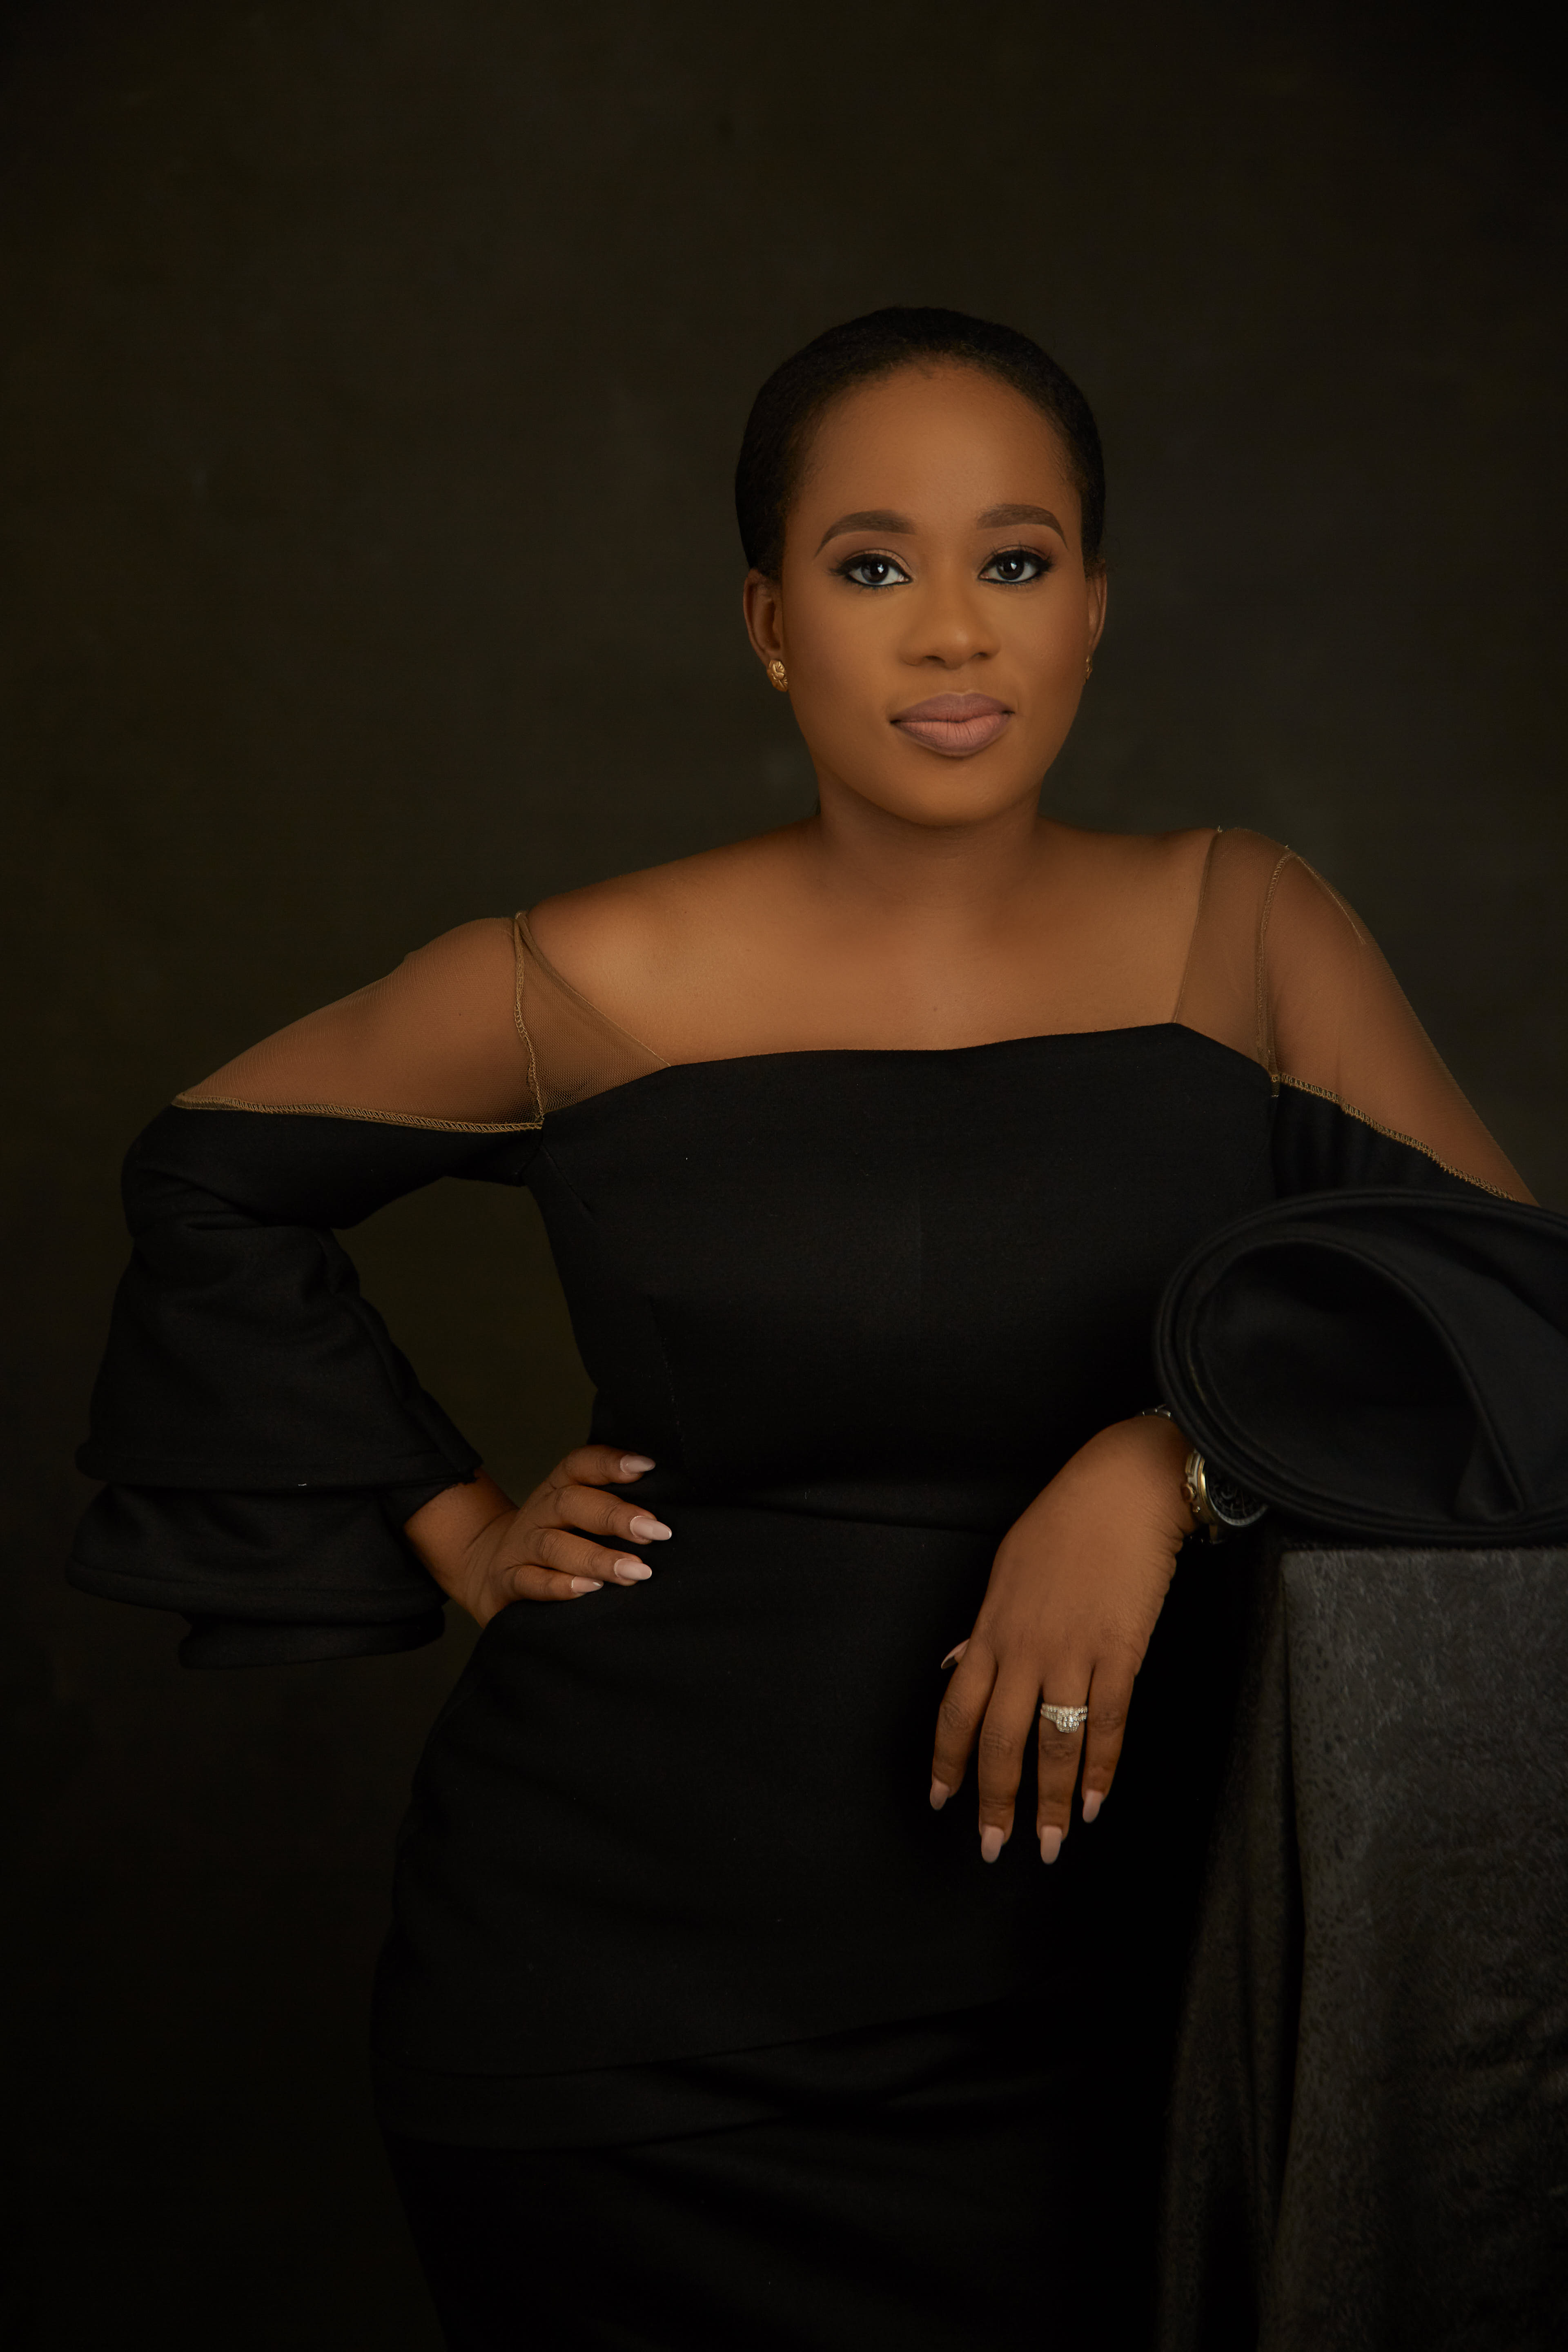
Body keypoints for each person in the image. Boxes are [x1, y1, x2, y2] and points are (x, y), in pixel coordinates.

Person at [71, 308, 1529, 2349]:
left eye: (1012, 559)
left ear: (1094, 606)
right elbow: (207, 1178)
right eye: (871, 565)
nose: (953, 631)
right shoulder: (584, 977)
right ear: (770, 623)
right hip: (617, 2016)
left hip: (1114, 2005)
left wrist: (1167, 1463)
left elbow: (1516, 1319)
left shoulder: (1245, 932)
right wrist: (458, 1527)